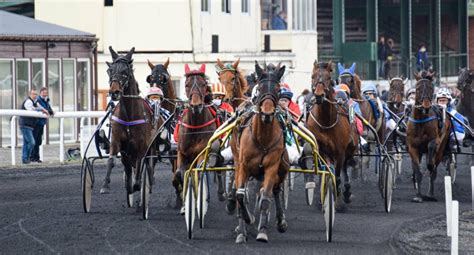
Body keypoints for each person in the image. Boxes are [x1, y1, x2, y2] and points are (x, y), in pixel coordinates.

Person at [19, 89, 49, 164]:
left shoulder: (35, 102)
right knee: (32, 142)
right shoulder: (28, 102)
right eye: (33, 94)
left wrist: (44, 110)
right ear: (30, 94)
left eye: (36, 94)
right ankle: (27, 158)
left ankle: (25, 159)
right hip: (25, 125)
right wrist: (40, 111)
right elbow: (32, 111)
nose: (35, 96)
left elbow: (40, 107)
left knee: (27, 143)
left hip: (30, 125)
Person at [30, 87, 54, 163]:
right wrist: (45, 110)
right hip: (36, 123)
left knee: (38, 141)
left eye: (46, 93)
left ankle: (36, 157)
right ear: (40, 93)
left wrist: (51, 112)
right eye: (43, 92)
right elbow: (36, 108)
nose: (45, 94)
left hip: (41, 123)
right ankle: (32, 157)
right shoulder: (38, 100)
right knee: (34, 141)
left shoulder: (46, 100)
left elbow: (49, 109)